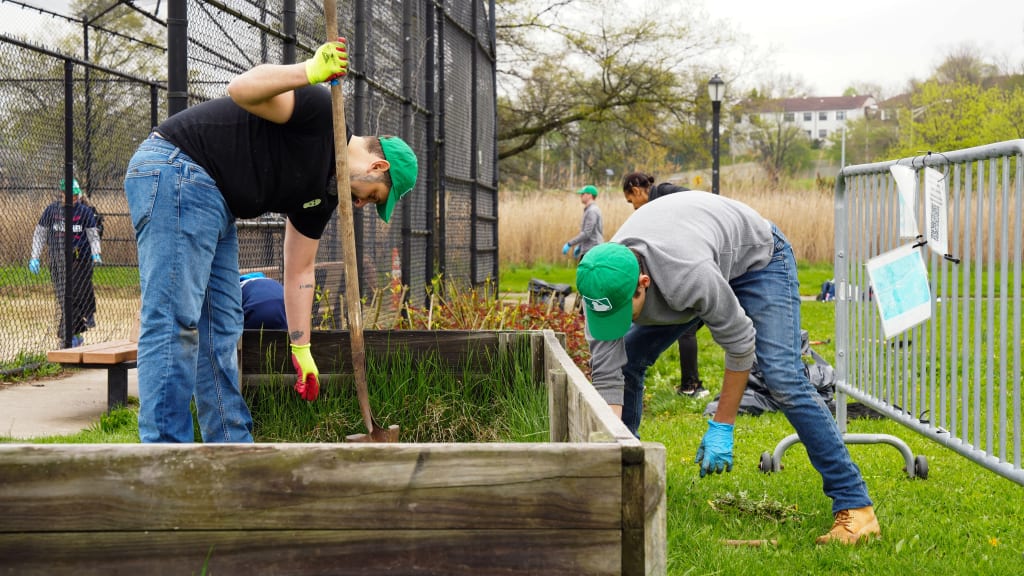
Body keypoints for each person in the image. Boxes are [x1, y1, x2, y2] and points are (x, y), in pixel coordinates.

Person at [123, 38, 418, 443]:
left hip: (215, 199)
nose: (365, 206)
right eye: (374, 197)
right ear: (377, 165)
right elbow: (241, 89)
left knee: (223, 326)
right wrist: (308, 72)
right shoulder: (320, 115)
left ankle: (230, 450)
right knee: (175, 320)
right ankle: (164, 458)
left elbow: (299, 269)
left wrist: (301, 349)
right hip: (177, 169)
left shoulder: (326, 193)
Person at [575, 191, 880, 545]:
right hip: (700, 254)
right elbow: (609, 379)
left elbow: (740, 344)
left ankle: (856, 507)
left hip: (757, 259)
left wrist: (723, 423)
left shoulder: (688, 275)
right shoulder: (602, 286)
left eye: (622, 312)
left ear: (642, 285)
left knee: (783, 378)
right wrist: (613, 454)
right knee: (626, 360)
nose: (615, 322)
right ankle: (626, 485)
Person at [621, 171, 706, 398]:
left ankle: (691, 385)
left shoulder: (666, 194)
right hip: (679, 269)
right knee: (686, 329)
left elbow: (700, 206)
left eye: (631, 201)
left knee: (686, 330)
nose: (633, 207)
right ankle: (691, 383)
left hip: (691, 266)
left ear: (636, 190)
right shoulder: (650, 208)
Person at [29, 178, 102, 348]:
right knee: (64, 298)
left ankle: (68, 338)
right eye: (70, 194)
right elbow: (40, 234)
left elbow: (92, 235)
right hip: (57, 259)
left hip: (79, 261)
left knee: (74, 297)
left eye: (76, 195)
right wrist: (35, 257)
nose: (73, 198)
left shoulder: (84, 212)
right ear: (61, 193)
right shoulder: (51, 211)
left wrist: (96, 254)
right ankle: (75, 335)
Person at [561, 184, 603, 261]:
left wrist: (569, 244)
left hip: (591, 250)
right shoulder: (589, 210)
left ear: (590, 195)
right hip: (589, 249)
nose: (581, 196)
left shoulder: (592, 211)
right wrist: (580, 246)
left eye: (583, 194)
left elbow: (587, 233)